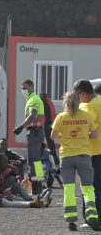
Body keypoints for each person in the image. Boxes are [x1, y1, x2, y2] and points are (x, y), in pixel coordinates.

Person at [51, 90, 100, 231]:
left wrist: (65, 133)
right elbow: (94, 135)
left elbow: (53, 136)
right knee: (87, 188)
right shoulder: (87, 116)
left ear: (65, 102)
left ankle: (71, 220)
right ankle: (91, 216)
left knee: (69, 188)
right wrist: (83, 133)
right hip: (84, 156)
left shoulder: (61, 117)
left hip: (66, 157)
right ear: (78, 101)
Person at [73, 79, 101, 227]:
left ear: (84, 94)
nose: (78, 99)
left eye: (78, 96)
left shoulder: (90, 106)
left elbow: (89, 130)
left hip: (93, 151)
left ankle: (92, 218)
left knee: (89, 186)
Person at [13, 79, 45, 195]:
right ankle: (39, 185)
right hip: (36, 132)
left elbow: (32, 116)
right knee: (37, 161)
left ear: (31, 88)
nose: (23, 91)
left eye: (25, 88)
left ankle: (36, 188)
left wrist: (20, 127)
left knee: (33, 161)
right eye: (22, 88)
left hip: (34, 133)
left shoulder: (33, 100)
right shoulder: (32, 99)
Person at [40, 93, 59, 165]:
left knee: (51, 144)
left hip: (48, 126)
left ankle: (55, 160)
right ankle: (41, 159)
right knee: (41, 144)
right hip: (41, 127)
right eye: (43, 97)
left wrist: (51, 125)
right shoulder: (39, 104)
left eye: (45, 97)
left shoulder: (49, 103)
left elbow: (52, 115)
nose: (44, 98)